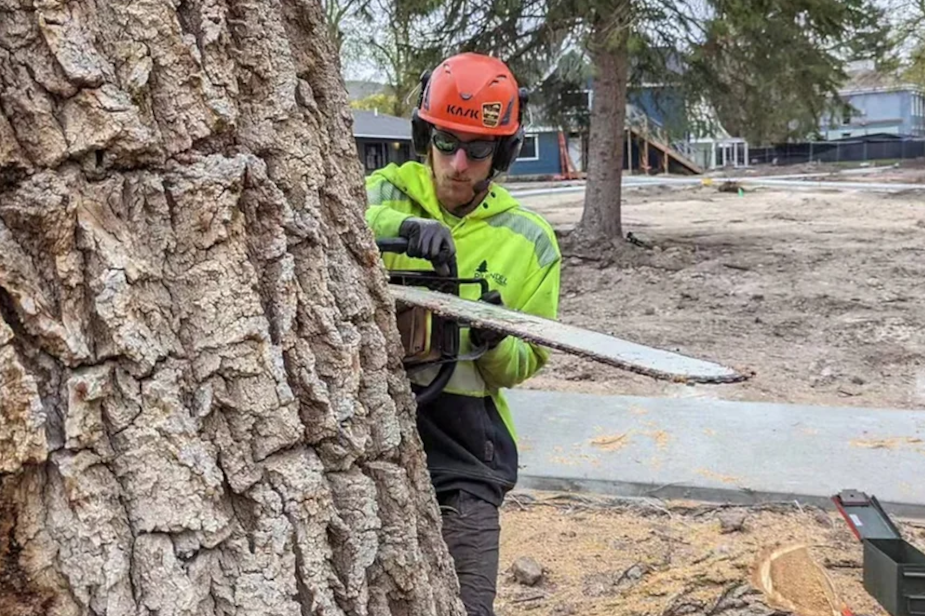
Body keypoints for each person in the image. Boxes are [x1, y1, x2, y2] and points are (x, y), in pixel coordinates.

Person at [364, 52, 561, 615]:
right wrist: (401, 231)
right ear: (424, 134)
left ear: (501, 153)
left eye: (477, 151)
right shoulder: (382, 194)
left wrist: (494, 336)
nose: (457, 164)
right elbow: (338, 216)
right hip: (373, 430)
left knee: (467, 604)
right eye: (446, 143)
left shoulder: (530, 242)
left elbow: (528, 360)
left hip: (467, 450)